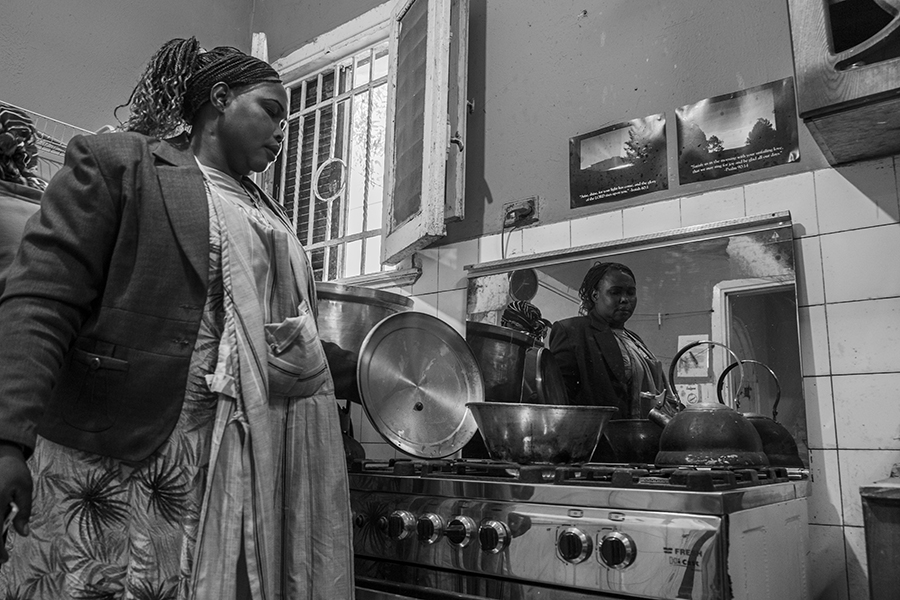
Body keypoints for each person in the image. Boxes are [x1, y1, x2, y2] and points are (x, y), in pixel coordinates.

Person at [0, 37, 353, 599]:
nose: (284, 133)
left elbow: (276, 329)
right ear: (218, 98)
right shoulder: (122, 162)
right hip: (116, 455)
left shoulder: (267, 210)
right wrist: (7, 441)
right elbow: (44, 297)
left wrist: (379, 378)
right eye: (271, 110)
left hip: (231, 466)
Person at [548, 262, 671, 418]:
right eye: (615, 292)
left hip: (642, 435)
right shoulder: (572, 331)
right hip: (599, 437)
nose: (625, 299)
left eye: (631, 292)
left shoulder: (634, 340)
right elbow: (559, 400)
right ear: (595, 295)